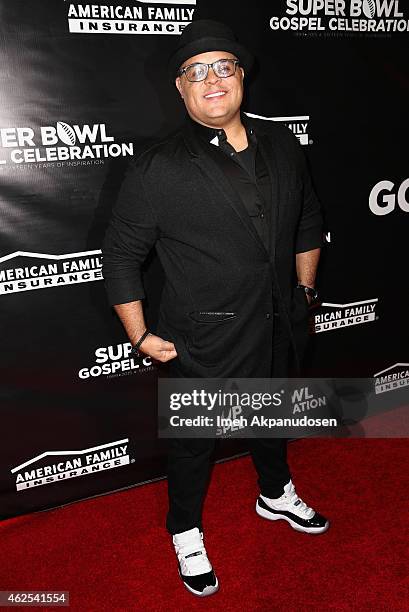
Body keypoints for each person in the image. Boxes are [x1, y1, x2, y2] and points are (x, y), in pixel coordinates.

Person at [102, 19, 330, 598]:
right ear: (180, 89)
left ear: (241, 79)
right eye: (195, 71)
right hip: (204, 336)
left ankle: (274, 493)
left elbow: (307, 219)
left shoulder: (281, 143)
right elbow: (122, 256)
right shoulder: (157, 167)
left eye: (223, 67)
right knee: (193, 443)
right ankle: (185, 529)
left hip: (280, 319)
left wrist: (304, 292)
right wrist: (139, 334)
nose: (212, 80)